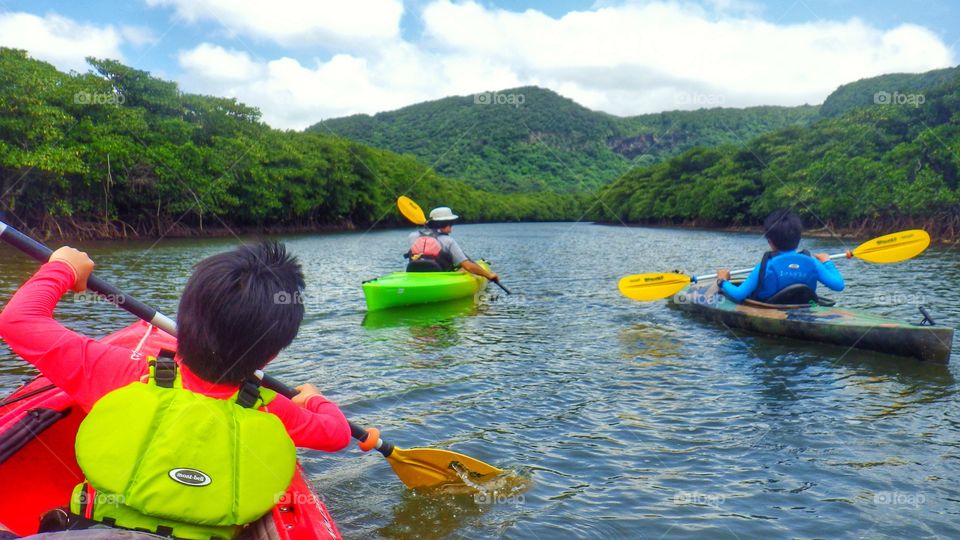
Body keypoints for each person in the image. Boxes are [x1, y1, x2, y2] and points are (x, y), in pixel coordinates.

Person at [0, 241, 351, 538]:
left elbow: (18, 322)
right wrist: (314, 399)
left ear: (183, 324)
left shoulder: (120, 373)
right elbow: (337, 434)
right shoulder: (270, 408)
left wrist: (62, 267)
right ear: (272, 353)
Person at [716, 209, 845, 303]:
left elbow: (739, 295)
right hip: (803, 309)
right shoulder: (813, 264)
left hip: (770, 309)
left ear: (770, 242)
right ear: (799, 238)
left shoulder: (765, 267)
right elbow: (839, 285)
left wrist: (722, 281)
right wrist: (827, 262)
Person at [406, 206, 499, 282]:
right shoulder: (448, 240)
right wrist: (489, 275)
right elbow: (468, 266)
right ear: (443, 224)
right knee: (464, 269)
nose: (451, 230)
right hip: (441, 277)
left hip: (414, 274)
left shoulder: (412, 236)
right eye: (450, 225)